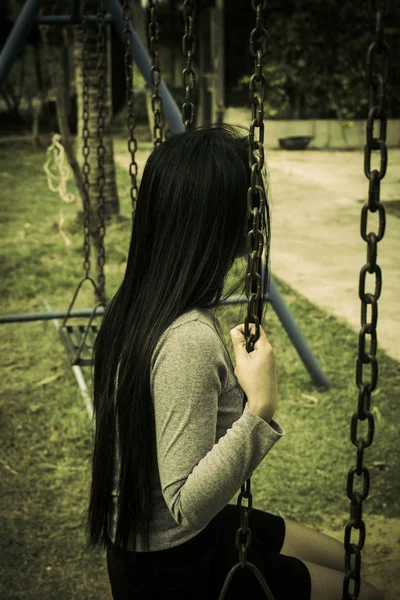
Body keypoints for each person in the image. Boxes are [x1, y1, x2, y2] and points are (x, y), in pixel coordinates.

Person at [85, 124, 385, 600]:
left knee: (345, 561)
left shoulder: (134, 304)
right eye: (251, 207)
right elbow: (184, 503)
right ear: (216, 222)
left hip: (158, 543)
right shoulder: (188, 339)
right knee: (366, 593)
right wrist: (259, 408)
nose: (257, 219)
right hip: (175, 567)